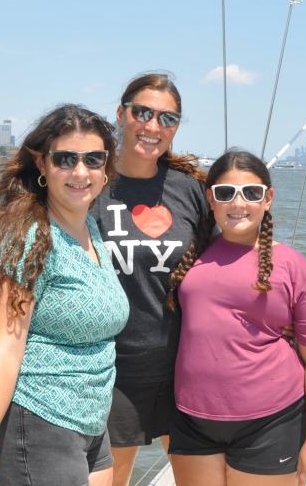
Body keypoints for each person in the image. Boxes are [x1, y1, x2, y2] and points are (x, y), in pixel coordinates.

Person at [0, 104, 130, 486]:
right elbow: (4, 351)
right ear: (42, 163)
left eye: (93, 159)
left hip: (92, 424)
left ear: (106, 165)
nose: (81, 172)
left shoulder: (89, 229)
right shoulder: (26, 237)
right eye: (66, 159)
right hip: (39, 422)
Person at [167, 149, 306, 486]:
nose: (238, 203)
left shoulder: (296, 268)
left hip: (271, 421)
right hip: (191, 418)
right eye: (225, 193)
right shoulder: (190, 255)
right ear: (211, 200)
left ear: (268, 198)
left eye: (251, 193)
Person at [91, 73, 208, 485]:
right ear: (120, 114)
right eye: (142, 113)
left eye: (167, 118)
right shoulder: (91, 185)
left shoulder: (190, 190)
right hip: (112, 371)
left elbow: (225, 260)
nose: (153, 126)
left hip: (184, 367)